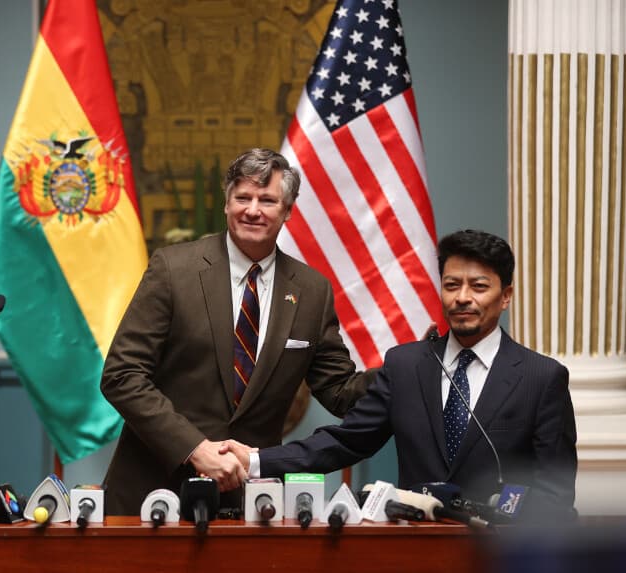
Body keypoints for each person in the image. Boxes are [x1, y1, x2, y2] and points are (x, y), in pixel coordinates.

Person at [223, 230, 578, 520]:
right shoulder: (406, 366)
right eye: (452, 285)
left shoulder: (541, 378)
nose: (462, 298)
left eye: (479, 287)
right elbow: (344, 441)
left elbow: (555, 492)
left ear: (506, 296)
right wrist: (254, 460)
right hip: (413, 546)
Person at [100, 148, 374, 515]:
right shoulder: (173, 269)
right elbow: (121, 375)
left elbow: (339, 390)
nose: (253, 210)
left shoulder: (312, 291)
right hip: (153, 493)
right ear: (227, 204)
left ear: (288, 210)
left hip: (249, 502)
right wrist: (195, 448)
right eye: (242, 197)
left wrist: (410, 366)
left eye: (267, 200)